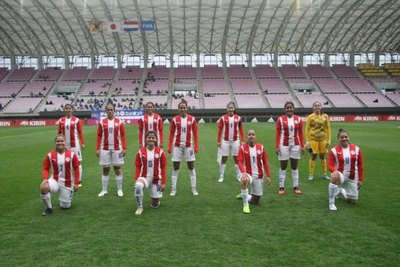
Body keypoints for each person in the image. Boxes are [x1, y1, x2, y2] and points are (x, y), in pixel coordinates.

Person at [40, 134, 80, 216]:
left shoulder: (72, 154)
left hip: (67, 182)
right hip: (54, 180)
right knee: (44, 187)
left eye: (62, 141)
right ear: (55, 142)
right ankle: (49, 208)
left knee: (65, 206)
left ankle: (65, 194)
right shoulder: (50, 155)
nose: (60, 143)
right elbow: (45, 168)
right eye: (58, 141)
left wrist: (76, 183)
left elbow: (76, 168)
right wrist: (45, 178)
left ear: (65, 142)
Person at [168, 99, 199, 196]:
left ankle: (194, 189)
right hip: (177, 146)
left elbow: (195, 134)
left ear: (187, 108)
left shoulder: (192, 119)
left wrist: (196, 146)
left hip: (189, 146)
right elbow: (171, 134)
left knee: (191, 166)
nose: (183, 109)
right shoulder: (174, 119)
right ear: (178, 109)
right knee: (176, 167)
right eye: (181, 108)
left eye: (184, 107)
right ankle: (173, 189)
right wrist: (169, 146)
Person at [327, 129, 364, 211]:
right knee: (334, 176)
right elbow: (329, 165)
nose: (344, 139)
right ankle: (331, 203)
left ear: (349, 138)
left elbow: (360, 165)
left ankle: (341, 190)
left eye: (346, 137)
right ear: (338, 139)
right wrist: (334, 171)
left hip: (353, 176)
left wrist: (360, 179)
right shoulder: (334, 150)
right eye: (342, 137)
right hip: (341, 175)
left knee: (352, 201)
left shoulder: (356, 149)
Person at [236, 130, 271, 214]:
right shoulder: (243, 147)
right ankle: (245, 205)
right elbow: (239, 161)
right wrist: (243, 172)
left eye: (253, 134)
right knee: (245, 180)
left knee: (255, 201)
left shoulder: (261, 147)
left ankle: (244, 194)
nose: (251, 136)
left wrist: (268, 175)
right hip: (247, 173)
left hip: (258, 175)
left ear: (255, 136)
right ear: (246, 137)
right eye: (249, 134)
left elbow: (265, 162)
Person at [96, 103, 127, 197]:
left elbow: (123, 135)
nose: (110, 111)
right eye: (108, 110)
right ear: (106, 111)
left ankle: (120, 190)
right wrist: (97, 148)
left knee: (117, 169)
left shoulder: (119, 121)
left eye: (111, 109)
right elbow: (99, 136)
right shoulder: (102, 122)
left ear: (114, 111)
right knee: (105, 169)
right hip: (104, 148)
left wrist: (124, 148)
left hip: (117, 148)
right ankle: (104, 190)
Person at [134, 131, 167, 215]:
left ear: (156, 140)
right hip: (144, 177)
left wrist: (163, 182)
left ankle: (154, 198)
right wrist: (136, 179)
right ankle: (139, 207)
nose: (151, 139)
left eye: (153, 137)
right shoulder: (140, 152)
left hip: (156, 179)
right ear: (145, 139)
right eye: (149, 137)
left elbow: (163, 168)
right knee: (138, 186)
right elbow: (138, 167)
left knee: (155, 205)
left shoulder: (160, 152)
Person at [275, 101, 305, 195]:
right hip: (284, 144)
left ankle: (296, 186)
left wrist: (302, 146)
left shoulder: (298, 119)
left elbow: (300, 133)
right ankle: (281, 187)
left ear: (293, 108)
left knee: (294, 166)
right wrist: (277, 146)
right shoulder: (280, 119)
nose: (289, 109)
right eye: (287, 108)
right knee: (283, 166)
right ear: (285, 109)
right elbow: (278, 134)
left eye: (291, 107)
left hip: (296, 145)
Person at [57, 103, 85, 187]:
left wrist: (82, 142)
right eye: (66, 108)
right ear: (65, 110)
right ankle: (67, 179)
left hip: (74, 144)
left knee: (78, 162)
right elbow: (59, 133)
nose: (68, 110)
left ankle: (79, 180)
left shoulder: (76, 120)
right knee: (65, 162)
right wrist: (58, 143)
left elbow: (80, 132)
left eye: (69, 108)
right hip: (64, 145)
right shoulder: (61, 120)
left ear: (72, 110)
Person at [216, 102, 245, 183]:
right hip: (225, 141)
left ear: (234, 109)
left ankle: (238, 176)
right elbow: (220, 130)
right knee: (224, 158)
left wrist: (242, 140)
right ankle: (221, 176)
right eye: (229, 108)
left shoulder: (238, 118)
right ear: (227, 109)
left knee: (236, 159)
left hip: (235, 141)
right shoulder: (222, 118)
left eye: (232, 108)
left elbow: (241, 130)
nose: (230, 109)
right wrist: (218, 140)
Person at [305, 101, 331, 180]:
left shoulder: (325, 116)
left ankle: (325, 173)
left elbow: (328, 128)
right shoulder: (310, 117)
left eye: (318, 105)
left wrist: (329, 139)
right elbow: (307, 129)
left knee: (322, 156)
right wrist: (307, 141)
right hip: (313, 139)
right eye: (315, 105)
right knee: (313, 156)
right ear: (313, 107)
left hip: (323, 139)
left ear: (321, 107)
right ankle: (311, 174)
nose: (317, 107)